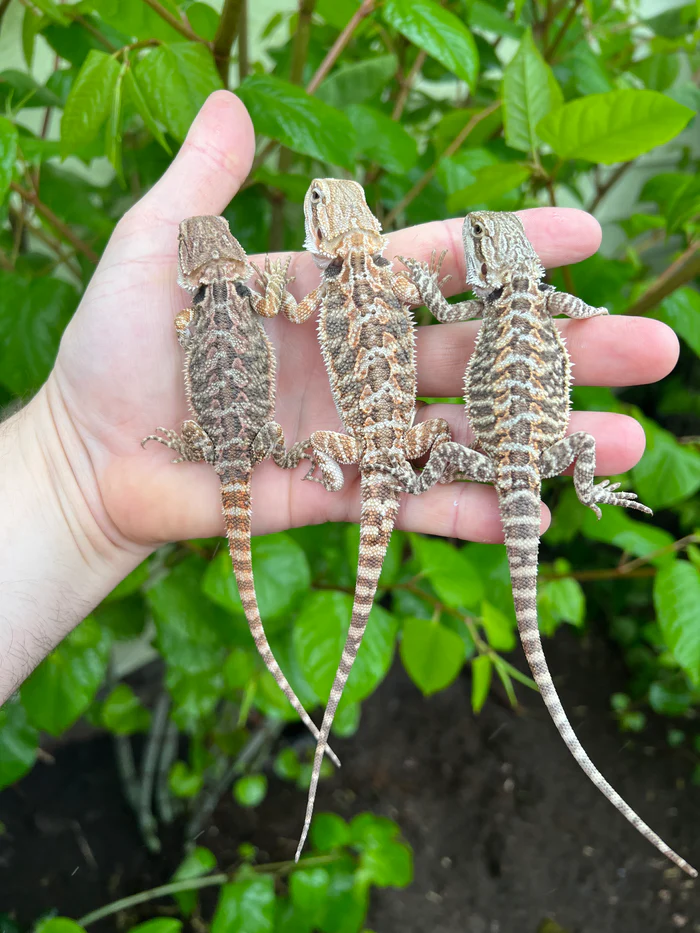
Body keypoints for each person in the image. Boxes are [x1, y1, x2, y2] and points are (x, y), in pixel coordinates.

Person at [0, 91, 679, 707]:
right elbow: (426, 303)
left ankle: (355, 485)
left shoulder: (327, 291)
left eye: (322, 204)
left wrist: (333, 444)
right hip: (400, 438)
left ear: (324, 233)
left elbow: (300, 309)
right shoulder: (393, 280)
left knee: (394, 503)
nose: (316, 201)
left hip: (374, 442)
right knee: (427, 466)